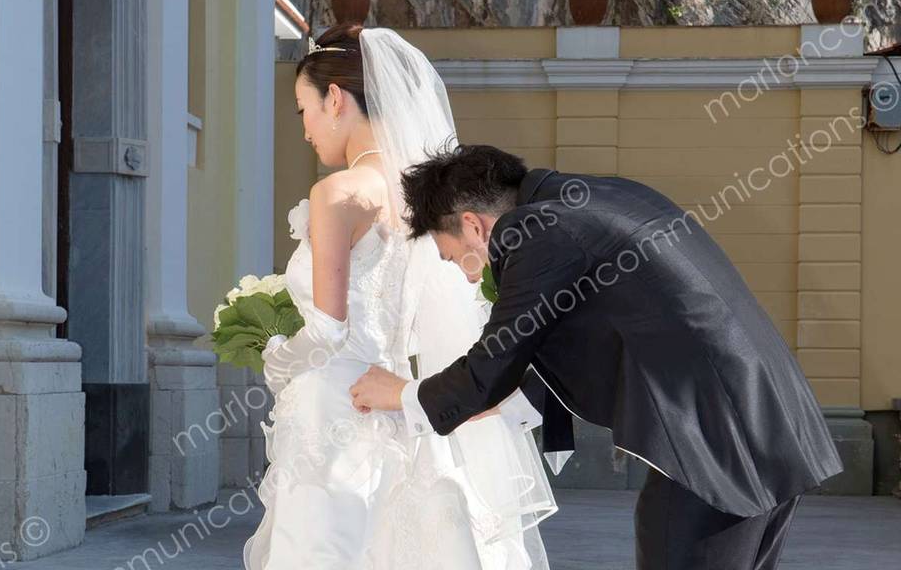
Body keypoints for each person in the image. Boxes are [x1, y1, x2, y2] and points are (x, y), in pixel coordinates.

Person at [350, 144, 844, 570]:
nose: (465, 274)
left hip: (714, 447)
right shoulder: (596, 199)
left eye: (454, 256)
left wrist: (402, 394)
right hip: (768, 424)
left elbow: (493, 361)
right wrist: (509, 406)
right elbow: (597, 328)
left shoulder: (535, 231)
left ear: (474, 226)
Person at [243, 26, 557, 570]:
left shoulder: (337, 193)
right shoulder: (423, 196)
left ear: (335, 99)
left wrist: (274, 355)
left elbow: (328, 331)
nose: (305, 131)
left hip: (331, 408)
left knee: (326, 547)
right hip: (396, 400)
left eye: (303, 111)